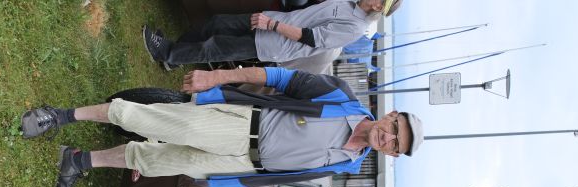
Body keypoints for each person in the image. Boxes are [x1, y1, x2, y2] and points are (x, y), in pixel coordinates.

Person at [20, 66, 423, 187]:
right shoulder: (340, 99)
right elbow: (279, 76)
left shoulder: (349, 164)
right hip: (241, 126)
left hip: (240, 164)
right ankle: (60, 116)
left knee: (157, 162)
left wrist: (236, 183)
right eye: (393, 130)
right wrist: (217, 77)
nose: (388, 139)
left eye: (395, 145)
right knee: (151, 121)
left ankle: (78, 160)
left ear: (391, 155)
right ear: (389, 115)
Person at [142, 0, 403, 69]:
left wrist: (273, 25)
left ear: (378, 7)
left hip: (273, 40)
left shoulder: (354, 27)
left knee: (214, 46)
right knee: (215, 23)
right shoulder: (349, 3)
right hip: (271, 21)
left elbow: (311, 37)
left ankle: (166, 53)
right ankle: (175, 55)